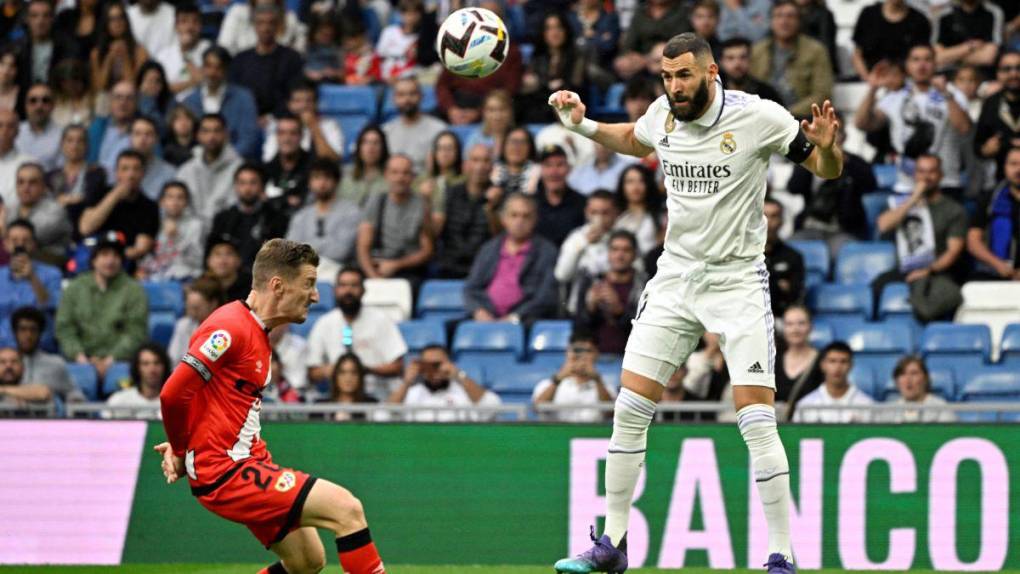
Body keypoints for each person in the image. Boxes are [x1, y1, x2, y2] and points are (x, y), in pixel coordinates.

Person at [548, 31, 843, 574]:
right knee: (629, 410)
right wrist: (582, 125)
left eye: (684, 75)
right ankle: (612, 545)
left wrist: (825, 146)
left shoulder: (760, 118)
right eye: (667, 76)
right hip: (676, 278)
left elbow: (826, 170)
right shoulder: (663, 112)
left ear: (712, 74)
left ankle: (781, 555)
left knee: (757, 421)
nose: (674, 87)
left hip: (737, 282)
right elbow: (635, 141)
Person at [155, 239, 388, 574]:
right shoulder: (230, 328)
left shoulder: (256, 332)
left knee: (307, 561)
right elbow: (173, 394)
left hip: (243, 462)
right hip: (226, 471)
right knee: (346, 509)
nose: (315, 295)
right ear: (278, 285)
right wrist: (180, 447)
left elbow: (209, 397)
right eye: (308, 283)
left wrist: (189, 444)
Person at [855, 44, 972, 196]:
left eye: (927, 59)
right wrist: (873, 88)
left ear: (936, 64)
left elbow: (964, 128)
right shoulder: (895, 96)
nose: (921, 65)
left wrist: (946, 94)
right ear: (907, 65)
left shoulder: (953, 93)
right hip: (906, 186)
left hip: (946, 183)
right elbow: (862, 123)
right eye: (915, 60)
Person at [871, 154, 967, 321]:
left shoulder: (953, 209)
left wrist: (928, 270)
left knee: (934, 299)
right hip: (905, 268)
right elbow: (883, 225)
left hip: (937, 271)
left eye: (931, 172)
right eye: (921, 172)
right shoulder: (900, 203)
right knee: (877, 286)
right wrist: (914, 198)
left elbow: (953, 252)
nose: (926, 177)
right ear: (914, 175)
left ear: (940, 175)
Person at [56, 233, 148, 379]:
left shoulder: (133, 290)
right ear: (94, 259)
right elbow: (64, 328)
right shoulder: (75, 287)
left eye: (116, 255)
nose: (110, 260)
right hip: (80, 360)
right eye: (104, 254)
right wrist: (80, 358)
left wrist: (110, 360)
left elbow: (135, 332)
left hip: (120, 362)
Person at [305, 267, 407, 398]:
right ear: (335, 291)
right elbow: (312, 372)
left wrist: (365, 369)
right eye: (343, 285)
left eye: (354, 285)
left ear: (363, 290)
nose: (348, 290)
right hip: (338, 400)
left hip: (377, 399)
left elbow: (397, 367)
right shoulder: (324, 323)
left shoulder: (381, 320)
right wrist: (334, 371)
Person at [464, 193, 559, 325]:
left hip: (525, 321)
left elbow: (545, 296)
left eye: (526, 216)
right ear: (503, 219)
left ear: (535, 220)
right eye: (514, 215)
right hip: (485, 318)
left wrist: (514, 317)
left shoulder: (547, 251)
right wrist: (479, 311)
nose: (519, 221)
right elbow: (471, 288)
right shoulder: (489, 249)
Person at [788, 120, 875, 251]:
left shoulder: (855, 162)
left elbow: (871, 185)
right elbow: (794, 187)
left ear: (844, 136)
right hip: (810, 227)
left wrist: (844, 160)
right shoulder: (807, 161)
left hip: (843, 231)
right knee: (793, 252)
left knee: (845, 254)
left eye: (833, 132)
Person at [355, 155, 434, 284]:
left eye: (405, 173)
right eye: (395, 172)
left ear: (413, 177)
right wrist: (374, 278)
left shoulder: (421, 204)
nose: (400, 178)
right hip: (376, 266)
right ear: (386, 175)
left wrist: (396, 265)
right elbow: (363, 247)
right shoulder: (376, 201)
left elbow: (427, 251)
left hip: (408, 269)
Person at [749, 0, 833, 119]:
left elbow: (822, 94)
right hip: (762, 118)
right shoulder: (757, 51)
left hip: (801, 117)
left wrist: (786, 113)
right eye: (779, 16)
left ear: (799, 21)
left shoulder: (816, 50)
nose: (784, 21)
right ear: (771, 21)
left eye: (790, 16)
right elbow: (749, 89)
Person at [434, 144, 502, 279]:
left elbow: (502, 240)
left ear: (492, 168)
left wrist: (491, 209)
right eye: (475, 160)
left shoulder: (501, 195)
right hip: (449, 268)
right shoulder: (449, 193)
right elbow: (435, 235)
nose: (480, 166)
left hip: (486, 270)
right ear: (465, 165)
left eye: (486, 161)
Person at [79, 150, 160, 263]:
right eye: (125, 169)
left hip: (124, 261)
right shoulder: (100, 193)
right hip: (94, 255)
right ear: (116, 172)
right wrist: (115, 196)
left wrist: (114, 257)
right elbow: (85, 228)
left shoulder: (150, 206)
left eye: (136, 169)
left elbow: (140, 248)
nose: (130, 175)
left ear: (143, 173)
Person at [574, 230, 647, 356]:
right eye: (615, 249)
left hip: (630, 358)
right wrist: (590, 310)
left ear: (635, 254)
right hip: (593, 358)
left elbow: (646, 332)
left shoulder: (645, 287)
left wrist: (619, 311)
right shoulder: (591, 282)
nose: (619, 255)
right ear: (608, 253)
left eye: (626, 250)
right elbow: (578, 329)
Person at [181, 47, 260, 160]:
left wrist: (226, 159)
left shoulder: (243, 98)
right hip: (197, 162)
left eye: (218, 68)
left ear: (226, 70)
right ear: (202, 68)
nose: (212, 73)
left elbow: (249, 138)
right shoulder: (189, 101)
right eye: (208, 66)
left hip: (234, 161)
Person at [388, 344, 502, 422]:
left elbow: (493, 406)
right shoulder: (411, 393)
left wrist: (458, 375)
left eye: (437, 365)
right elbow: (385, 414)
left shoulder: (463, 391)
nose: (434, 370)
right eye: (428, 365)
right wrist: (407, 382)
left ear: (449, 363)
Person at [228, 3, 304, 118]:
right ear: (254, 25)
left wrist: (271, 117)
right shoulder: (240, 60)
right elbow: (234, 96)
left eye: (271, 23)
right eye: (260, 23)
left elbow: (294, 96)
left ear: (277, 26)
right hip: (246, 119)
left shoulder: (292, 59)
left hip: (282, 121)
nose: (265, 28)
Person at [286, 158, 362, 267]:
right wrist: (326, 243)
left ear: (336, 181)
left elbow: (341, 252)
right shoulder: (301, 215)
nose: (322, 183)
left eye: (327, 177)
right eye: (316, 177)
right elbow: (291, 252)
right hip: (305, 272)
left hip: (339, 271)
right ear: (309, 183)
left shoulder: (351, 211)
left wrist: (307, 245)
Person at [209, 163, 289, 268]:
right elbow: (211, 254)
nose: (247, 188)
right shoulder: (222, 218)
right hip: (228, 277)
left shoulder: (276, 218)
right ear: (235, 186)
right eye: (242, 183)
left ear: (262, 186)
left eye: (253, 183)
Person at [556, 190, 622, 311]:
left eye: (605, 213)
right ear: (586, 212)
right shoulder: (576, 237)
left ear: (615, 213)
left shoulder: (623, 238)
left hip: (616, 306)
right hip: (580, 310)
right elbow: (562, 275)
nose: (599, 218)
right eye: (594, 212)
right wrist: (583, 243)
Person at [519, 11, 588, 125]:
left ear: (566, 30)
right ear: (543, 33)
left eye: (558, 27)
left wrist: (544, 86)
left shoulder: (577, 56)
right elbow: (528, 87)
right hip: (539, 109)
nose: (554, 32)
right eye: (549, 28)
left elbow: (576, 85)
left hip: (568, 110)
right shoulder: (537, 58)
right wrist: (547, 87)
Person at [0, 221, 62, 343]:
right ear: (5, 244)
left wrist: (32, 278)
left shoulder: (52, 274)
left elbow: (51, 306)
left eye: (25, 240)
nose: (20, 245)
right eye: (15, 240)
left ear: (33, 244)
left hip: (39, 345)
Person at [176, 113, 245, 223]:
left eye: (216, 131)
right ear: (198, 135)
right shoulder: (185, 171)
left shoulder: (240, 169)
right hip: (192, 235)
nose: (211, 137)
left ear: (225, 134)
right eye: (206, 131)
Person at [533, 330, 615, 422]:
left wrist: (597, 379)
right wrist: (558, 378)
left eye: (588, 351)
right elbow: (538, 409)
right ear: (567, 353)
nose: (582, 356)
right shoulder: (546, 384)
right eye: (577, 350)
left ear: (596, 354)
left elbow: (611, 414)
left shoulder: (606, 388)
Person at [967, 146, 1020, 281]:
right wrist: (998, 265)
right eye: (1013, 164)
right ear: (1004, 167)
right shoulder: (990, 198)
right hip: (995, 270)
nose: (1018, 170)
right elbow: (973, 241)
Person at [9, 306, 82, 403]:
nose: (28, 335)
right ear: (15, 333)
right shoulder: (5, 363)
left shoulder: (55, 364)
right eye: (23, 329)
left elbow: (74, 394)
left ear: (40, 333)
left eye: (33, 330)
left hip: (46, 415)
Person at [139, 181, 206, 281]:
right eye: (170, 197)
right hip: (158, 276)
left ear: (186, 202)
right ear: (162, 201)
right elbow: (149, 255)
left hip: (186, 276)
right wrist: (143, 269)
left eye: (180, 197)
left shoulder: (196, 225)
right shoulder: (156, 223)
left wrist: (176, 237)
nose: (175, 202)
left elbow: (196, 261)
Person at [263, 81, 343, 164]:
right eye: (297, 101)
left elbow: (332, 161)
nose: (304, 106)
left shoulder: (329, 126)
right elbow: (268, 160)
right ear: (289, 104)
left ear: (316, 104)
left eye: (309, 101)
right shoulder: (279, 126)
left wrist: (313, 126)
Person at [792, 342, 873, 423]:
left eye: (843, 361)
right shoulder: (806, 405)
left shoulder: (867, 405)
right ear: (823, 365)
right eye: (832, 361)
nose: (837, 367)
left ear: (851, 365)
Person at [7, 163, 73, 264]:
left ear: (43, 186)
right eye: (20, 182)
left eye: (32, 183)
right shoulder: (11, 207)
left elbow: (26, 240)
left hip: (49, 265)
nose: (25, 188)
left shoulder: (56, 211)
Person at [851, 0, 932, 80]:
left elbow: (922, 57)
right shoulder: (868, 14)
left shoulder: (919, 21)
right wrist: (868, 80)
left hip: (905, 82)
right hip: (869, 79)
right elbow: (857, 55)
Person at [382, 77, 447, 172]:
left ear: (421, 97)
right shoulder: (385, 131)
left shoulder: (438, 130)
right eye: (401, 95)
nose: (407, 99)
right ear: (394, 99)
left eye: (412, 94)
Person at [614, 0, 692, 79]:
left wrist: (652, 57)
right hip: (641, 58)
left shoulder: (681, 12)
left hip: (668, 56)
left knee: (661, 52)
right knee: (621, 63)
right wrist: (637, 57)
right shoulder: (641, 13)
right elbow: (629, 43)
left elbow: (681, 41)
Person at [13, 0, 79, 92]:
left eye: (46, 16)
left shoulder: (67, 46)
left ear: (52, 19)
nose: (40, 21)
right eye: (34, 16)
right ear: (27, 20)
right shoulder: (17, 47)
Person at [974, 50, 1020, 182]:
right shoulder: (991, 103)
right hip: (1002, 182)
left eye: (1018, 68)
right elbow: (978, 147)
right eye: (1007, 69)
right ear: (998, 73)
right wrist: (986, 150)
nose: (1014, 74)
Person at [89, 2, 149, 100]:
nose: (117, 23)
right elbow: (99, 88)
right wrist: (109, 58)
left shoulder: (140, 52)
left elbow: (133, 85)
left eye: (120, 18)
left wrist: (124, 56)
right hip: (106, 99)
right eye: (112, 19)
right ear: (106, 24)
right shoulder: (96, 53)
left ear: (126, 21)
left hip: (131, 99)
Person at [47, 124, 105, 217]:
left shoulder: (96, 173)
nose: (75, 145)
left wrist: (63, 199)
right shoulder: (50, 175)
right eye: (70, 140)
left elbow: (90, 200)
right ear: (62, 144)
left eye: (80, 141)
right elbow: (46, 203)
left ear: (87, 145)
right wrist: (75, 199)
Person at [533, 144, 586, 247]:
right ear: (541, 170)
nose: (554, 172)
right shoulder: (529, 204)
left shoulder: (583, 203)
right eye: (548, 165)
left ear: (569, 169)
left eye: (560, 165)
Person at [155, 2, 210, 97]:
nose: (190, 27)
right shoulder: (163, 55)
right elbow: (159, 89)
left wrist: (185, 53)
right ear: (176, 26)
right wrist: (192, 82)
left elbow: (206, 83)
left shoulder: (209, 49)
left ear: (201, 26)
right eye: (184, 21)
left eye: (195, 22)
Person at [762, 198, 805, 317]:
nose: (768, 222)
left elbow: (794, 296)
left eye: (774, 216)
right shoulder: (742, 255)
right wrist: (779, 284)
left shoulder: (793, 257)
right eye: (763, 215)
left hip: (780, 318)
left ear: (781, 221)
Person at [881, 355, 956, 423]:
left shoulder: (941, 409)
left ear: (925, 379)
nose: (908, 380)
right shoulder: (888, 412)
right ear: (897, 382)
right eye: (902, 374)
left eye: (914, 373)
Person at [167, 275, 225, 363]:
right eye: (189, 307)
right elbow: (173, 359)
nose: (192, 313)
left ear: (213, 304)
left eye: (196, 308)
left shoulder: (224, 331)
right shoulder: (183, 324)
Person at [105, 342, 170, 419]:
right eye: (145, 364)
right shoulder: (119, 400)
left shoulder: (173, 403)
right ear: (137, 368)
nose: (152, 369)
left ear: (165, 367)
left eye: (157, 363)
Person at [774, 305, 821, 408]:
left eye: (801, 323)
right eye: (789, 324)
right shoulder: (773, 362)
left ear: (810, 327)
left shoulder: (823, 361)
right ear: (783, 329)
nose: (795, 329)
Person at [933, 0, 1003, 69]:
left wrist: (950, 56)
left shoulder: (993, 13)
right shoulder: (943, 15)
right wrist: (970, 47)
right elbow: (938, 57)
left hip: (981, 72)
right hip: (949, 72)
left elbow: (987, 58)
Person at [89, 80, 137, 180]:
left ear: (136, 103)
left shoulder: (143, 129)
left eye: (129, 98)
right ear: (110, 101)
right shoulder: (98, 127)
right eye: (118, 97)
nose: (123, 102)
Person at [263, 114, 312, 211]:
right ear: (276, 136)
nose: (287, 139)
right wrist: (287, 200)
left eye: (293, 133)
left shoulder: (313, 168)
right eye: (282, 133)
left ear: (301, 136)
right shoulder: (266, 169)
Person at [718, 37, 783, 104]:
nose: (737, 64)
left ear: (751, 60)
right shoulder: (714, 94)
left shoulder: (767, 94)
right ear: (721, 62)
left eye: (743, 57)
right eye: (730, 58)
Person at [414, 130, 464, 217]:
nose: (444, 153)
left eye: (449, 148)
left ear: (457, 152)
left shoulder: (464, 179)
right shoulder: (421, 179)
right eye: (440, 148)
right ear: (434, 152)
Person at [613, 164, 661, 256]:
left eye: (641, 181)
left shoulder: (660, 217)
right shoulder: (617, 218)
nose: (636, 187)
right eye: (630, 181)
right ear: (622, 186)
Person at [340, 125, 389, 207]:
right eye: (366, 142)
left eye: (376, 143)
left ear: (383, 148)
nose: (371, 147)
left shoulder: (392, 176)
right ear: (359, 147)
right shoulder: (344, 174)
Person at [320, 352, 378, 422]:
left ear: (360, 377)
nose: (348, 378)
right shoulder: (320, 407)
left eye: (354, 372)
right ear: (335, 377)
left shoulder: (373, 405)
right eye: (342, 372)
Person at [15, 83, 61, 171]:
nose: (39, 106)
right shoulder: (14, 130)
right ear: (26, 105)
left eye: (45, 100)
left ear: (53, 105)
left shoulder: (62, 136)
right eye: (33, 100)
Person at [130, 116, 176, 201]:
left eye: (148, 134)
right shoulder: (119, 169)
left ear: (156, 139)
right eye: (137, 134)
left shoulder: (169, 173)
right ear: (130, 138)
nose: (142, 139)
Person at [375, 0, 422, 81]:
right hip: (386, 77)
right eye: (408, 13)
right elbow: (378, 56)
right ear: (401, 14)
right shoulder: (389, 32)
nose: (411, 17)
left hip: (409, 78)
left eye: (415, 13)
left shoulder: (421, 37)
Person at [568, 142, 637, 196]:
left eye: (606, 140)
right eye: (597, 140)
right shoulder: (580, 170)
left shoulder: (628, 168)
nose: (601, 146)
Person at [0, 346, 55, 410]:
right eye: (2, 362)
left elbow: (44, 393)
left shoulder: (29, 385)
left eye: (14, 362)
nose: (8, 366)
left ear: (23, 368)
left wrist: (3, 390)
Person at [464, 90, 515, 159]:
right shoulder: (475, 139)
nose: (497, 116)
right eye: (491, 110)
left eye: (502, 109)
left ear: (510, 112)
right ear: (484, 113)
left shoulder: (519, 136)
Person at [0, 109, 35, 209]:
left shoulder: (30, 163)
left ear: (18, 131)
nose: (4, 131)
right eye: (0, 125)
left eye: (10, 126)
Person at [491, 126, 540, 196]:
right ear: (504, 146)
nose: (517, 147)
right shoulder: (490, 171)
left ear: (530, 148)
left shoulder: (540, 174)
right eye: (513, 141)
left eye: (523, 142)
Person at [204, 234, 252, 302]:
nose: (223, 260)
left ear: (239, 260)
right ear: (208, 261)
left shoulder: (251, 289)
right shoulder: (201, 289)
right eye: (217, 254)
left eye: (229, 253)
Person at [50, 58, 94, 128]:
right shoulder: (54, 103)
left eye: (75, 80)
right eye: (65, 82)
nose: (71, 86)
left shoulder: (93, 101)